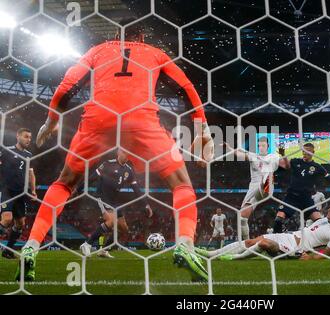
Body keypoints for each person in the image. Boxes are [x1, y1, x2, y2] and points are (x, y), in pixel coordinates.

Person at [15, 19, 213, 282]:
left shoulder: (99, 50)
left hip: (98, 121)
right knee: (181, 185)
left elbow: (67, 86)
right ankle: (186, 244)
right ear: (141, 37)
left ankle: (31, 246)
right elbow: (186, 88)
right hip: (141, 120)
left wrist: (51, 122)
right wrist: (202, 131)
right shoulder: (155, 53)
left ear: (115, 34)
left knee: (64, 183)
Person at [196, 201, 330, 261]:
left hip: (296, 249)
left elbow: (327, 254)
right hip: (289, 236)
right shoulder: (323, 219)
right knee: (251, 241)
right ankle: (211, 254)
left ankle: (234, 258)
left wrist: (311, 258)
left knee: (264, 244)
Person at [79, 149, 152, 258]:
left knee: (124, 229)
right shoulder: (108, 164)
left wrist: (146, 204)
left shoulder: (129, 170)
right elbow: (92, 178)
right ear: (118, 152)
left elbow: (136, 189)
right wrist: (79, 189)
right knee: (111, 221)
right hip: (102, 197)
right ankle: (87, 244)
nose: (127, 155)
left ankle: (104, 250)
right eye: (124, 153)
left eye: (128, 153)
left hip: (114, 201)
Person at [223, 136, 279, 240]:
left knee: (266, 176)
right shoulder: (253, 156)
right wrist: (229, 148)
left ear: (268, 146)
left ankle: (267, 179)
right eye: (259, 145)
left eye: (263, 145)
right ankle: (247, 242)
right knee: (242, 218)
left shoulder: (273, 157)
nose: (261, 147)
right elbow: (239, 154)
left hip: (265, 188)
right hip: (253, 189)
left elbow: (284, 164)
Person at [274, 143, 329, 233]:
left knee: (320, 223)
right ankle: (277, 242)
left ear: (313, 152)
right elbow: (287, 166)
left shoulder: (317, 167)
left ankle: (322, 243)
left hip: (306, 198)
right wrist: (283, 154)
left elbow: (328, 176)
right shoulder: (296, 161)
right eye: (304, 151)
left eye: (308, 151)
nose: (305, 153)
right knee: (278, 220)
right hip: (291, 197)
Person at [0, 128, 37, 259]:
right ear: (18, 136)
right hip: (7, 191)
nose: (28, 140)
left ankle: (8, 251)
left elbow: (31, 173)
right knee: (7, 219)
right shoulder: (7, 150)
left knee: (20, 224)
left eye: (30, 137)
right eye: (26, 136)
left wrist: (33, 190)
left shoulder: (28, 155)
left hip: (21, 193)